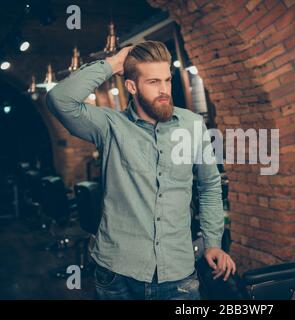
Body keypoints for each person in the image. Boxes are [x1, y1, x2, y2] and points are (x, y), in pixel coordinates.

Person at [46, 41, 236, 300]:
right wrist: (113, 63)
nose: (164, 90)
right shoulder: (109, 126)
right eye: (153, 82)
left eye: (167, 80)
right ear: (132, 86)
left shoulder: (192, 125)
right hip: (117, 273)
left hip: (178, 273)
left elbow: (210, 186)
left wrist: (213, 242)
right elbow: (59, 99)